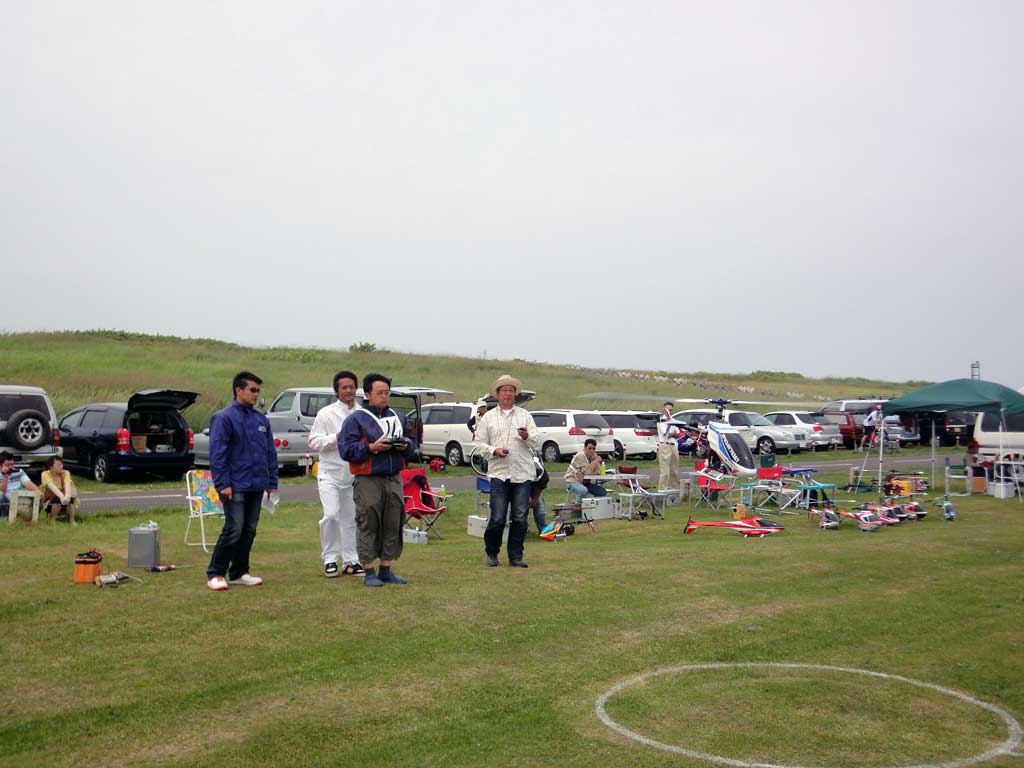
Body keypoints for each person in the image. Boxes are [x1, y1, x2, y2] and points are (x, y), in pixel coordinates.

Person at [339, 373, 418, 587]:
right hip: (368, 477)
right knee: (368, 520)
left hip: (394, 476)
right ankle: (368, 570)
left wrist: (405, 445)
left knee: (393, 520)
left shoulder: (398, 416)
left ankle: (386, 568)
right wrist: (371, 447)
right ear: (367, 394)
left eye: (387, 392)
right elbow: (346, 449)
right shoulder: (356, 419)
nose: (384, 396)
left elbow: (413, 443)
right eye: (380, 393)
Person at [206, 371, 278, 591]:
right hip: (234, 484)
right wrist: (223, 484)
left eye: (258, 391)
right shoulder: (224, 418)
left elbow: (270, 453)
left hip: (257, 484)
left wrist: (272, 483)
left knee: (249, 530)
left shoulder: (261, 419)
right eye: (252, 390)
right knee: (234, 528)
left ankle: (239, 572)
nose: (256, 394)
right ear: (239, 390)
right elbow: (218, 454)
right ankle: (216, 573)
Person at [473, 374, 539, 567]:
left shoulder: (525, 415)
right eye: (504, 390)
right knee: (498, 517)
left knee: (520, 517)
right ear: (497, 394)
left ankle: (516, 556)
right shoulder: (488, 417)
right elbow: (479, 444)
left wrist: (526, 436)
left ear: (515, 394)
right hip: (499, 473)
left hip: (522, 472)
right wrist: (494, 450)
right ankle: (492, 552)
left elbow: (536, 441)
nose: (508, 394)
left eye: (511, 390)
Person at [307, 370, 362, 578]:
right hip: (329, 473)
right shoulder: (326, 413)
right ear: (337, 391)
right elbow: (313, 441)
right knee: (331, 515)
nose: (348, 391)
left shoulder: (362, 413)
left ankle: (351, 560)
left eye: (351, 387)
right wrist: (337, 437)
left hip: (353, 474)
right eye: (344, 387)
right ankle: (330, 559)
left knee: (351, 518)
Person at [564, 439, 607, 504]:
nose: (592, 450)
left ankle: (595, 508)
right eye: (589, 448)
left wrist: (594, 462)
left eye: (594, 449)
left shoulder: (594, 456)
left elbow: (598, 472)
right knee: (583, 491)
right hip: (572, 480)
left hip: (585, 482)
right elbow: (588, 472)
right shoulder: (580, 455)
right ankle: (579, 508)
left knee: (601, 491)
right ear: (585, 448)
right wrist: (595, 461)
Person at [0, 451, 39, 520]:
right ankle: (5, 518)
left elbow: (29, 484)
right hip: (5, 500)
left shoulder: (19, 472)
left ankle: (28, 518)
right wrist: (5, 477)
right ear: (0, 465)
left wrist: (38, 492)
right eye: (7, 465)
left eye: (12, 464)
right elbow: (2, 491)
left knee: (38, 495)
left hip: (19, 499)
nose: (11, 467)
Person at [40, 455, 79, 525]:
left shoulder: (66, 473)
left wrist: (67, 497)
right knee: (57, 498)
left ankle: (72, 520)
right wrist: (61, 497)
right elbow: (52, 487)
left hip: (65, 501)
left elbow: (67, 485)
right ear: (51, 467)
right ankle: (52, 520)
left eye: (61, 464)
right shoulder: (45, 474)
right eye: (58, 465)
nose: (61, 466)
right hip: (49, 502)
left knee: (70, 499)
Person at [657, 402, 681, 491]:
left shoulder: (673, 420)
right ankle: (662, 489)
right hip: (665, 445)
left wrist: (673, 433)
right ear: (664, 409)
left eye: (670, 410)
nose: (669, 412)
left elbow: (678, 434)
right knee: (665, 471)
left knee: (675, 470)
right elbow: (666, 434)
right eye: (667, 410)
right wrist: (671, 430)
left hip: (673, 445)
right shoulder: (661, 421)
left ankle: (675, 489)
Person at [529, 461, 549, 536]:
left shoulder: (543, 475)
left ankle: (543, 531)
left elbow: (541, 485)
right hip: (519, 483)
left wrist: (535, 499)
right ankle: (519, 530)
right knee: (520, 507)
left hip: (536, 485)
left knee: (540, 506)